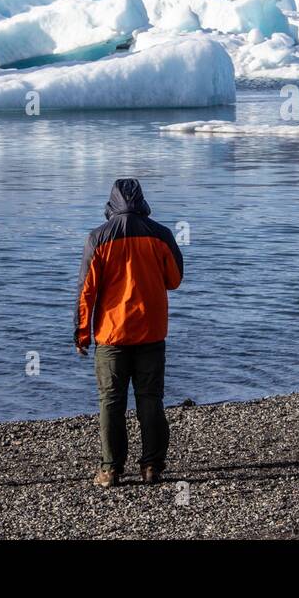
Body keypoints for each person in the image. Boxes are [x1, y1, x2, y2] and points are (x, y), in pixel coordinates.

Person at [76, 178, 183, 487]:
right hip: (151, 331)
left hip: (111, 335)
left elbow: (86, 291)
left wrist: (81, 334)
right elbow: (174, 279)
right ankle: (151, 467)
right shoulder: (161, 234)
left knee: (110, 401)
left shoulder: (98, 237)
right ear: (141, 201)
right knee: (150, 399)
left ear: (112, 203)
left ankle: (110, 469)